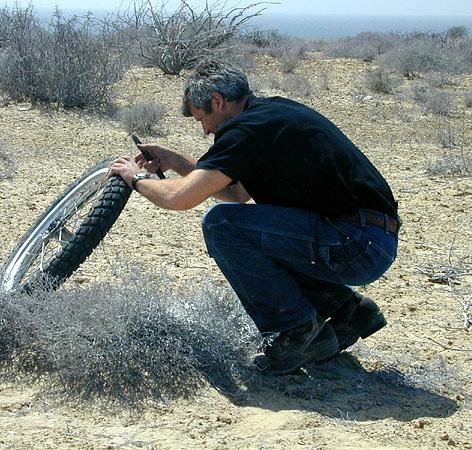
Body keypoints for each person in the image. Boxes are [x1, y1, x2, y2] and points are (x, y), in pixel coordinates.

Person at [107, 60, 400, 375]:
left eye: (202, 117)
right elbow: (236, 193)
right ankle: (347, 312)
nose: (205, 129)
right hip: (369, 238)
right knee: (260, 229)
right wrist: (175, 161)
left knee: (223, 225)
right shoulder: (269, 115)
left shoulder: (246, 130)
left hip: (354, 243)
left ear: (218, 101)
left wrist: (135, 179)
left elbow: (180, 198)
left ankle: (296, 333)